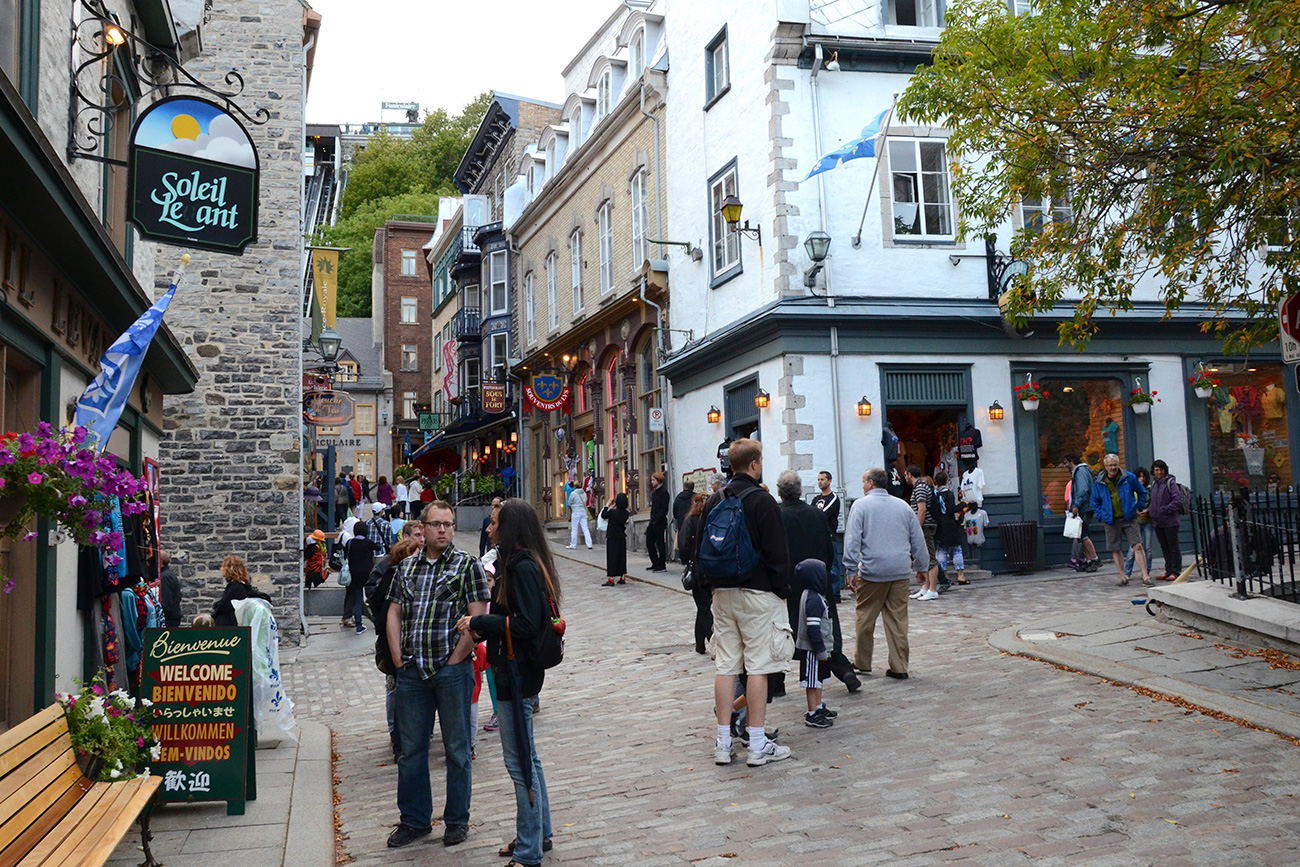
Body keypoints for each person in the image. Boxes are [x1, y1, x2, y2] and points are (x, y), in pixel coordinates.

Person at [461, 499, 562, 867]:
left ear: (510, 527)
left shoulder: (521, 567)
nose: (488, 529)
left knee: (518, 761)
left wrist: (481, 624)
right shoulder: (517, 563)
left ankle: (529, 850)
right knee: (528, 758)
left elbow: (526, 626)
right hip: (515, 672)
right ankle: (538, 833)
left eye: (493, 523)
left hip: (516, 675)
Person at [385, 501, 491, 850]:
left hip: (451, 671)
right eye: (436, 524)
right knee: (411, 750)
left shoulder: (467, 566)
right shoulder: (407, 568)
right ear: (424, 528)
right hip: (413, 672)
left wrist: (456, 658)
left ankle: (456, 820)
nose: (442, 530)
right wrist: (398, 657)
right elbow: (394, 612)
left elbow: (478, 619)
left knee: (457, 749)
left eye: (448, 524)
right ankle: (414, 820)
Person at [693, 438, 792, 768]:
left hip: (723, 594)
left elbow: (700, 551)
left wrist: (711, 589)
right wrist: (781, 589)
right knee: (758, 667)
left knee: (725, 667)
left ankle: (723, 743)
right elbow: (779, 553)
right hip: (757, 593)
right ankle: (757, 744)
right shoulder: (762, 501)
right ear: (754, 464)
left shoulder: (715, 499)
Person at [776, 470, 859, 694]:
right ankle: (843, 669)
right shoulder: (816, 514)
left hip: (790, 583)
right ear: (800, 490)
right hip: (816, 578)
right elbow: (828, 550)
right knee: (823, 626)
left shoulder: (777, 516)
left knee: (785, 631)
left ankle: (776, 682)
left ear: (779, 492)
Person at [843, 468, 928, 679]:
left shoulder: (860, 506)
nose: (862, 486)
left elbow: (853, 540)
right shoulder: (903, 506)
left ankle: (863, 662)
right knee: (898, 620)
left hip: (872, 571)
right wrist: (922, 566)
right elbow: (918, 538)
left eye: (863, 482)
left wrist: (851, 569)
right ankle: (899, 667)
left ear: (871, 483)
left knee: (865, 617)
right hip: (899, 570)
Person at [367, 527, 424, 762]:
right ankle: (400, 741)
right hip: (397, 645)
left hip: (408, 644)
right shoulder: (393, 575)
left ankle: (408, 738)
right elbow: (380, 607)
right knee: (399, 691)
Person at [1091, 454, 1152, 587]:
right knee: (1115, 548)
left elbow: (1142, 492)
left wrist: (1138, 507)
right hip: (1110, 519)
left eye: (1115, 465)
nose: (1113, 468)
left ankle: (1145, 576)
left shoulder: (1129, 477)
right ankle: (1123, 576)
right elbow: (1095, 501)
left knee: (1137, 545)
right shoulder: (1099, 481)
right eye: (1110, 465)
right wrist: (1101, 514)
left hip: (1129, 517)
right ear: (1105, 466)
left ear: (1118, 465)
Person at [793, 558, 835, 728]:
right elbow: (813, 629)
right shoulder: (813, 600)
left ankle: (818, 706)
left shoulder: (815, 596)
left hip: (820, 648)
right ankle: (812, 713)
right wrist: (821, 650)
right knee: (811, 682)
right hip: (813, 650)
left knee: (819, 680)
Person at [678, 492, 711, 654]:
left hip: (697, 568)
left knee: (703, 606)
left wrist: (687, 561)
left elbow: (683, 545)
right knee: (704, 605)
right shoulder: (711, 519)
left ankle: (710, 640)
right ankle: (701, 644)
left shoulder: (690, 520)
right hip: (711, 568)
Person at [905, 465, 940, 601]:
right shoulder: (921, 486)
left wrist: (917, 529)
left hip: (925, 527)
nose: (905, 477)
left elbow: (922, 510)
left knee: (930, 557)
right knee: (924, 557)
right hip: (925, 526)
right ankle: (925, 588)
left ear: (909, 474)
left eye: (906, 475)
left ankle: (933, 590)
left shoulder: (920, 488)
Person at [1148, 460, 1185, 580]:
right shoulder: (1154, 484)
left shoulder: (1170, 483)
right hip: (1158, 522)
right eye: (1156, 470)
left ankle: (1176, 571)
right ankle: (1168, 570)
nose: (1158, 472)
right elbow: (1153, 502)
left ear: (1165, 470)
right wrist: (1151, 512)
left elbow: (1177, 501)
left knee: (1173, 546)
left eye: (1160, 470)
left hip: (1170, 521)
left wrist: (1163, 510)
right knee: (1164, 547)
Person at [212, 555, 271, 627]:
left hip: (229, 628)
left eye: (223, 566)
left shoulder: (236, 587)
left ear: (229, 568)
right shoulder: (241, 586)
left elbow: (223, 606)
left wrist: (216, 605)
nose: (221, 569)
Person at [1065, 455, 1101, 572]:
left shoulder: (1080, 472)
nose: (1065, 466)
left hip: (1084, 508)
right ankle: (1090, 560)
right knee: (1082, 535)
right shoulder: (1083, 471)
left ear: (1072, 461)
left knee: (1083, 535)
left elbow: (1083, 490)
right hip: (1086, 507)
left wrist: (1076, 505)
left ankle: (1094, 559)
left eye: (1066, 463)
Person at [931, 471, 968, 585]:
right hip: (950, 523)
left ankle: (945, 575)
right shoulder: (949, 493)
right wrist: (963, 504)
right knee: (956, 549)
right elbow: (951, 509)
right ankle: (960, 575)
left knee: (942, 551)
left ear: (936, 482)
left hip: (939, 524)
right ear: (946, 481)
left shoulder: (934, 494)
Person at [811, 471, 842, 601]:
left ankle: (835, 594)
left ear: (829, 481)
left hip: (830, 536)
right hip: (817, 537)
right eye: (818, 479)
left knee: (833, 567)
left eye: (823, 479)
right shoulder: (816, 499)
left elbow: (823, 514)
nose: (820, 482)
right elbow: (811, 513)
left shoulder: (833, 498)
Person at [344, 521, 376, 634]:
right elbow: (377, 547)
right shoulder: (369, 542)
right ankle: (376, 619)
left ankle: (359, 625)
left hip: (354, 574)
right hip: (368, 573)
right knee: (372, 598)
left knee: (358, 600)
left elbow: (344, 555)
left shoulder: (350, 543)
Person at [1124, 468, 1154, 582]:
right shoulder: (1131, 489)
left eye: (1143, 476)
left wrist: (1147, 511)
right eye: (1139, 477)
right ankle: (1127, 573)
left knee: (1148, 548)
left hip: (1147, 521)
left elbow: (1153, 503)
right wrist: (1135, 511)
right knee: (1133, 549)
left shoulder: (1149, 490)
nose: (1142, 479)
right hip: (1134, 522)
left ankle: (1146, 572)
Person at [599, 493, 631, 586]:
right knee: (621, 557)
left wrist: (607, 506)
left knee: (612, 557)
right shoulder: (626, 513)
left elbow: (604, 515)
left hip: (612, 537)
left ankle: (611, 578)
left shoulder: (613, 512)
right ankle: (622, 576)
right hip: (621, 536)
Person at [646, 472, 669, 572]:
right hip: (653, 521)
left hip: (660, 521)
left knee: (660, 543)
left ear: (658, 480)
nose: (652, 482)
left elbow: (664, 509)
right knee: (649, 542)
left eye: (653, 480)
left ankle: (662, 564)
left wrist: (658, 519)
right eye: (651, 480)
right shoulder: (654, 492)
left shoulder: (664, 493)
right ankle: (655, 562)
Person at [158, 549, 182, 628]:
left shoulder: (165, 577)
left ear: (160, 562)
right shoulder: (168, 575)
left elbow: (166, 603)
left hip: (169, 621)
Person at [566, 485, 592, 550]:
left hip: (576, 512)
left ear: (575, 486)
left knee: (574, 529)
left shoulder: (573, 493)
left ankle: (573, 545)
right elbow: (585, 501)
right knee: (585, 528)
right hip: (583, 512)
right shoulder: (584, 493)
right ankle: (589, 544)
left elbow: (569, 503)